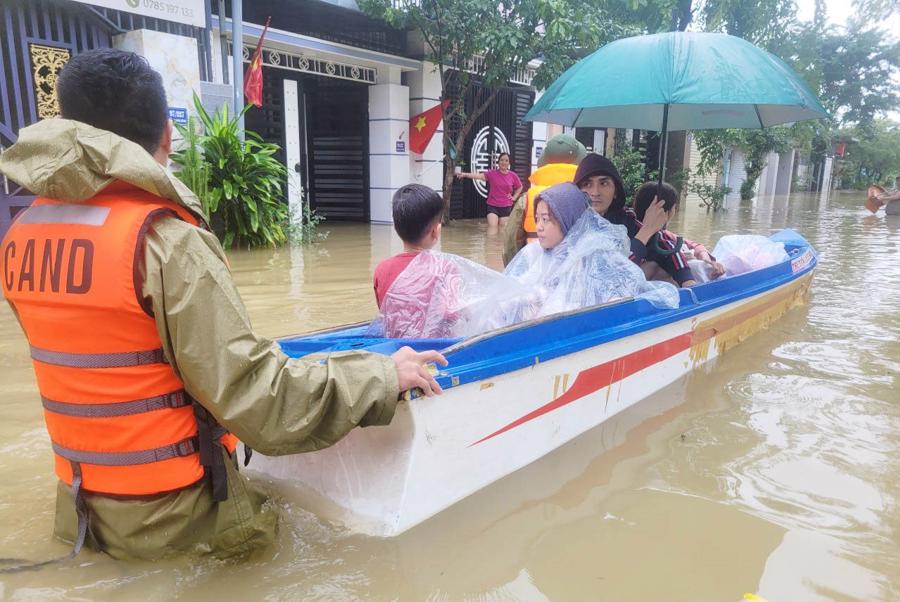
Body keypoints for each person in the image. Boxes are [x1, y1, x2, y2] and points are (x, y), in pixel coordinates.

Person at [0, 49, 445, 562]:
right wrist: (383, 376)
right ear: (167, 136)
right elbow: (259, 400)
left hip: (79, 512)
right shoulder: (163, 242)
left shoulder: (23, 235)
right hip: (177, 518)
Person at [574, 154, 695, 287]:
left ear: (615, 191)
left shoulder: (625, 218)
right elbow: (613, 273)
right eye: (587, 184)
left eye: (604, 183)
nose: (595, 192)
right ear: (577, 190)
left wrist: (687, 280)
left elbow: (663, 246)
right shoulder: (570, 223)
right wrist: (646, 231)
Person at [502, 134, 587, 265]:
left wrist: (515, 274)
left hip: (534, 269)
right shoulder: (585, 197)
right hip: (573, 272)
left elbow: (510, 243)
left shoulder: (527, 198)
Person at [632, 182, 725, 284]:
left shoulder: (664, 236)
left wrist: (706, 260)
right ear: (665, 211)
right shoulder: (657, 238)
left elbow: (695, 246)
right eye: (674, 208)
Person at [373, 184, 444, 308]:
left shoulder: (382, 269)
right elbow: (453, 314)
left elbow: (384, 311)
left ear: (395, 227)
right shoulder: (444, 268)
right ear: (435, 231)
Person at [455, 152, 523, 231]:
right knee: (492, 228)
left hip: (506, 206)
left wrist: (514, 197)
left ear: (509, 163)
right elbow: (478, 176)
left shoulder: (513, 175)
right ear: (498, 162)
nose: (504, 162)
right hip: (493, 206)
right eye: (501, 160)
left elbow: (520, 187)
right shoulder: (492, 174)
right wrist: (464, 174)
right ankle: (491, 244)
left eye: (506, 160)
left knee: (502, 230)